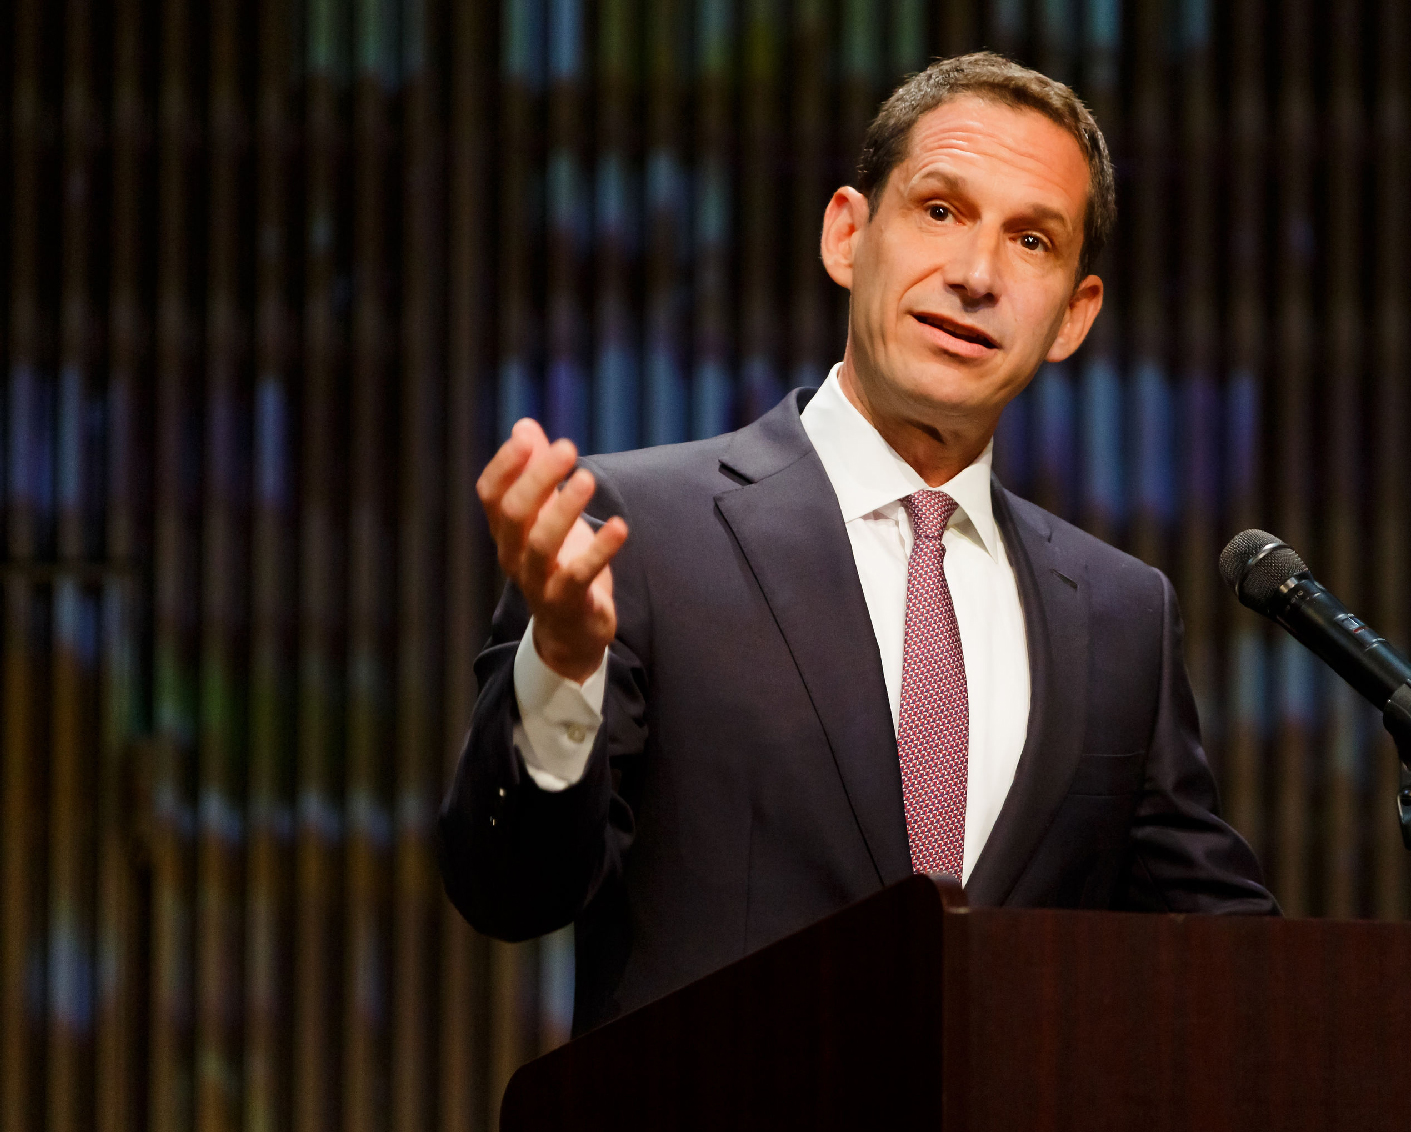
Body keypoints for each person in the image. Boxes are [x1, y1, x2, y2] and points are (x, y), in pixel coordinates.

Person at [439, 52, 1276, 1036]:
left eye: (1031, 240)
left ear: (1073, 315)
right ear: (847, 233)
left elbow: (1235, 971)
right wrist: (563, 666)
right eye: (939, 211)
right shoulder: (639, 532)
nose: (975, 275)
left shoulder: (1121, 613)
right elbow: (511, 890)